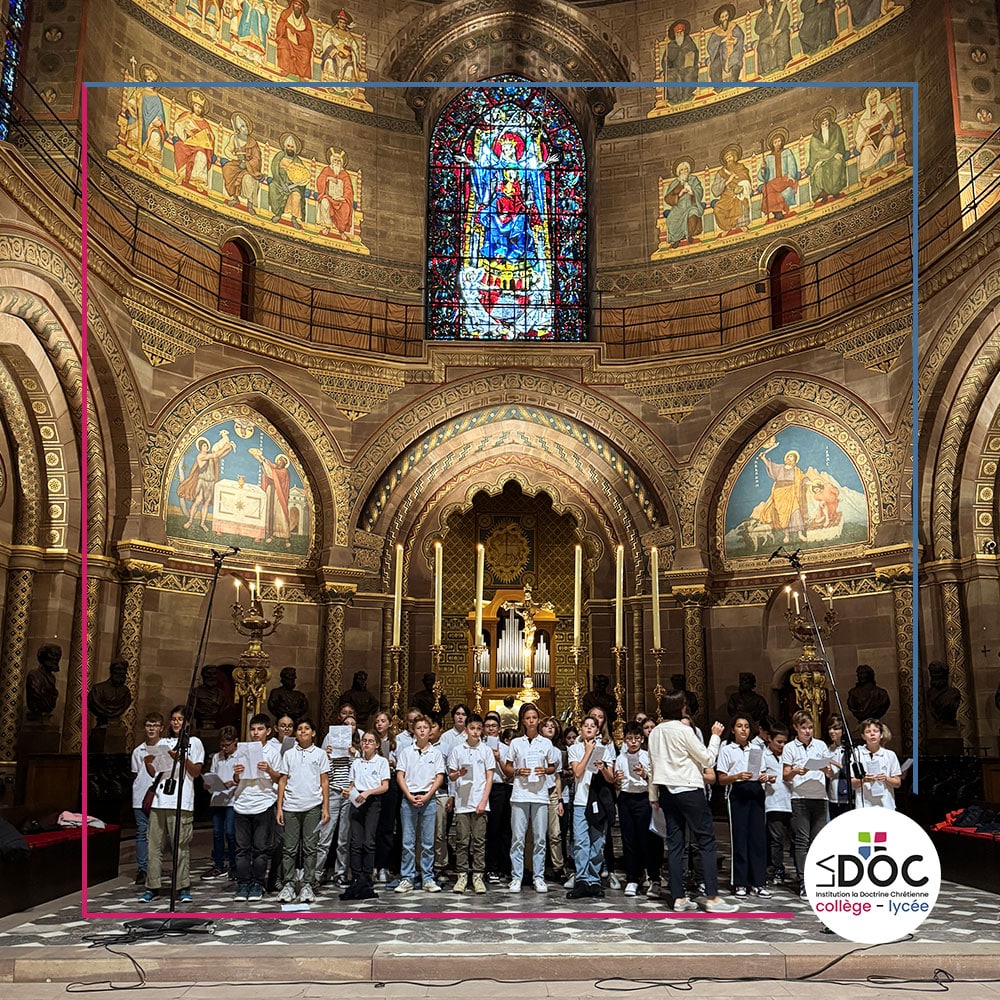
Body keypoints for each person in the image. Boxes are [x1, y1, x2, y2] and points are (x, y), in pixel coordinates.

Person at [647, 691, 737, 913]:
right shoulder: (683, 729)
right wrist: (715, 736)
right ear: (681, 707)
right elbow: (707, 758)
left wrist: (653, 795)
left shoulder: (656, 732)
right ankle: (712, 897)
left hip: (666, 790)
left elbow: (652, 765)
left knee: (675, 844)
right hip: (688, 788)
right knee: (706, 841)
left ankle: (678, 897)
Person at [141, 705, 205, 904]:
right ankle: (152, 885)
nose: (176, 722)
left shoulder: (194, 743)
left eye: (180, 719)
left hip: (181, 799)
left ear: (187, 723)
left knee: (180, 845)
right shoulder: (164, 742)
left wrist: (180, 758)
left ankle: (182, 886)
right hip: (160, 799)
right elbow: (155, 772)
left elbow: (195, 772)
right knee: (154, 846)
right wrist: (148, 762)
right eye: (173, 719)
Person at [503, 703, 559, 893]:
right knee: (518, 838)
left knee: (540, 838)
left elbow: (553, 766)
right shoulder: (516, 743)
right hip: (520, 794)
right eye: (528, 718)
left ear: (538, 720)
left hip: (540, 795)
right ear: (523, 721)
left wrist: (545, 770)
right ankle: (516, 876)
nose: (531, 721)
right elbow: (508, 767)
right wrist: (518, 771)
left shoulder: (546, 743)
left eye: (534, 717)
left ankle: (538, 877)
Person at [716, 714, 771, 899]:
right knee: (739, 838)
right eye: (739, 726)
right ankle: (740, 882)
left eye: (746, 726)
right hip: (738, 791)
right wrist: (737, 776)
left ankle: (758, 882)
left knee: (757, 838)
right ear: (733, 730)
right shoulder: (727, 749)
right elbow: (721, 779)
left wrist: (764, 777)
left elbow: (762, 771)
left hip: (756, 791)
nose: (743, 730)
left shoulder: (757, 749)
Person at [782, 709, 834, 898]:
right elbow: (785, 775)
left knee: (817, 841)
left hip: (820, 797)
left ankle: (817, 878)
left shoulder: (820, 745)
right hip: (800, 797)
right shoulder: (790, 747)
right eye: (804, 728)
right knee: (802, 841)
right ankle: (804, 880)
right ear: (796, 727)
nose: (807, 731)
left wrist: (827, 770)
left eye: (810, 728)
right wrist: (796, 771)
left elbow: (830, 772)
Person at [277, 718, 329, 904]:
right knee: (289, 848)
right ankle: (289, 884)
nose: (303, 732)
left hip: (312, 805)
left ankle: (307, 883)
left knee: (310, 847)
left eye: (307, 729)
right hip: (291, 806)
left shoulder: (320, 754)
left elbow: (324, 781)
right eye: (299, 729)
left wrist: (325, 807)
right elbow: (282, 781)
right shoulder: (289, 754)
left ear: (313, 733)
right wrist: (279, 807)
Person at [232, 712, 283, 901]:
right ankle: (242, 883)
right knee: (241, 848)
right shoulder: (242, 750)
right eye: (253, 729)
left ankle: (257, 883)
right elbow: (236, 779)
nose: (255, 733)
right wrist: (237, 773)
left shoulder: (273, 752)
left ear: (268, 731)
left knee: (260, 847)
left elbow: (279, 778)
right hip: (242, 802)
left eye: (260, 729)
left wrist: (268, 769)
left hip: (263, 802)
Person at [394, 714, 445, 893]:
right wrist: (408, 795)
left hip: (428, 799)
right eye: (418, 728)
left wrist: (428, 795)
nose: (422, 731)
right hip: (409, 799)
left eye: (425, 727)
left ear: (430, 730)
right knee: (408, 842)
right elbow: (400, 775)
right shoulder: (407, 752)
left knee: (428, 842)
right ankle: (407, 877)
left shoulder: (436, 753)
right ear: (414, 731)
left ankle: (428, 877)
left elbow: (439, 777)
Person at [339, 731, 390, 900]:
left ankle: (367, 877)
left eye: (370, 741)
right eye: (364, 741)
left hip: (372, 801)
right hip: (357, 800)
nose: (366, 744)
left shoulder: (381, 762)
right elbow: (352, 784)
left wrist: (368, 792)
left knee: (369, 841)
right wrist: (348, 791)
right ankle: (356, 876)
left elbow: (384, 786)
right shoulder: (356, 763)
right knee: (356, 841)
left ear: (377, 745)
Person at [447, 712, 494, 894]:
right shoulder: (458, 750)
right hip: (462, 801)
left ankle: (478, 876)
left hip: (479, 801)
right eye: (472, 728)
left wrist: (483, 800)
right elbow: (451, 775)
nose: (475, 732)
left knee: (479, 841)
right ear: (466, 729)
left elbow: (489, 777)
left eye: (478, 729)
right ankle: (462, 875)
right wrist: (457, 774)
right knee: (462, 840)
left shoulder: (486, 750)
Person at [615, 721, 656, 897]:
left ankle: (649, 874)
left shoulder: (646, 756)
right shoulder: (620, 758)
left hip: (643, 798)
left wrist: (644, 774)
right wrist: (617, 779)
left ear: (641, 740)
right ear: (624, 740)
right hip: (626, 799)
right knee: (629, 839)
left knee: (645, 839)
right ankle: (632, 878)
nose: (633, 742)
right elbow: (617, 783)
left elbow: (654, 779)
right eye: (630, 738)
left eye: (636, 738)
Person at [129, 712, 164, 885]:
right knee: (142, 832)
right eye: (149, 726)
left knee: (157, 834)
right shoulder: (138, 751)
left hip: (160, 797)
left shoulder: (165, 749)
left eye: (155, 726)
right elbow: (136, 773)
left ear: (161, 728)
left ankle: (154, 866)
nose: (151, 729)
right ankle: (142, 868)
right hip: (141, 795)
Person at [177, 431, 236, 532]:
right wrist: (224, 448)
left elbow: (219, 455)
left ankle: (202, 523)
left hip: (211, 482)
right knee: (198, 500)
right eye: (204, 446)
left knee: (207, 503)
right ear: (200, 448)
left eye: (206, 445)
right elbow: (216, 454)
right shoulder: (200, 456)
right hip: (202, 481)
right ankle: (190, 521)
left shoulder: (211, 456)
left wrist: (228, 448)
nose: (206, 447)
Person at [203, 725, 239, 880]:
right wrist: (208, 784)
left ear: (235, 742)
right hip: (218, 798)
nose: (224, 748)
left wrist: (233, 782)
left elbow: (244, 777)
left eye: (227, 745)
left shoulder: (240, 756)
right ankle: (218, 865)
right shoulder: (217, 757)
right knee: (217, 833)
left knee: (230, 832)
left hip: (233, 799)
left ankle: (234, 865)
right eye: (222, 745)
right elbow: (213, 774)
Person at [755, 443, 809, 540]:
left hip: (791, 492)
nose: (790, 458)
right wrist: (763, 458)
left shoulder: (796, 470)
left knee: (796, 510)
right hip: (779, 493)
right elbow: (770, 465)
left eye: (792, 457)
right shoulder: (779, 468)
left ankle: (800, 534)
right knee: (783, 515)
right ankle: (786, 535)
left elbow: (803, 478)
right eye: (789, 456)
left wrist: (809, 482)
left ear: (795, 461)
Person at [762, 723, 794, 886]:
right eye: (779, 742)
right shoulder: (763, 755)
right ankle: (777, 869)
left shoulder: (790, 754)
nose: (782, 746)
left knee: (796, 839)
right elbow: (757, 775)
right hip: (773, 802)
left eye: (784, 742)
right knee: (777, 839)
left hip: (792, 800)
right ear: (770, 739)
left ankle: (799, 869)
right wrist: (766, 779)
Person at [483, 710, 513, 883]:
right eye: (487, 726)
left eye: (494, 726)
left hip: (500, 788)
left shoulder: (506, 748)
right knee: (487, 830)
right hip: (482, 789)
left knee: (501, 828)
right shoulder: (478, 746)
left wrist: (498, 757)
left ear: (499, 729)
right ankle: (489, 867)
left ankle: (503, 866)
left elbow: (509, 774)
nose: (490, 729)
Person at [370, 711, 399, 884]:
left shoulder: (396, 742)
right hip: (373, 783)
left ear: (389, 723)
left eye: (383, 721)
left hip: (390, 783)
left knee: (387, 827)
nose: (380, 724)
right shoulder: (370, 740)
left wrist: (393, 763)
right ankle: (372, 865)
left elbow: (403, 764)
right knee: (372, 827)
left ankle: (384, 866)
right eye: (377, 721)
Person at [850, 718, 902, 809]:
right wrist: (864, 779)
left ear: (881, 735)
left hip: (886, 805)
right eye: (868, 732)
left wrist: (886, 778)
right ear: (863, 736)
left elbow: (897, 782)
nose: (872, 734)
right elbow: (852, 783)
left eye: (876, 731)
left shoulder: (890, 755)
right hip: (864, 805)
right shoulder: (856, 754)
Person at [171, 90, 216, 194]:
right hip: (186, 142)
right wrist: (185, 135)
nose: (198, 109)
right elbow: (177, 125)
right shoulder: (186, 115)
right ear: (192, 105)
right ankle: (181, 176)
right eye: (196, 106)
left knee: (201, 155)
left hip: (199, 146)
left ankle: (197, 181)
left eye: (200, 107)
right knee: (180, 146)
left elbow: (211, 138)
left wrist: (209, 135)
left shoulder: (204, 123)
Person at [540, 715, 567, 880]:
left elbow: (557, 777)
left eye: (552, 726)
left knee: (555, 833)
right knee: (537, 834)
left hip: (551, 793)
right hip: (537, 792)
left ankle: (558, 867)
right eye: (546, 725)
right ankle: (537, 867)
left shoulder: (557, 752)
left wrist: (560, 799)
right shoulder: (536, 746)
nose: (550, 728)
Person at [221, 114, 262, 215]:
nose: (246, 128)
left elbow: (257, 159)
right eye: (243, 126)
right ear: (238, 129)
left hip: (250, 169)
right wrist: (235, 158)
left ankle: (250, 205)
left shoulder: (252, 143)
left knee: (248, 179)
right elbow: (227, 150)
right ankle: (235, 198)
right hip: (237, 164)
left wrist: (247, 164)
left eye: (246, 126)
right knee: (227, 169)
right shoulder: (234, 138)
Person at [806, 108, 847, 206]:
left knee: (837, 164)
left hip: (834, 156)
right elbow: (816, 151)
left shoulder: (835, 129)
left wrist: (835, 153)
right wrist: (818, 162)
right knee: (819, 171)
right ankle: (823, 194)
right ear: (819, 124)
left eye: (827, 121)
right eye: (823, 122)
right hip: (820, 161)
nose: (825, 123)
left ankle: (835, 191)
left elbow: (837, 143)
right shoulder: (815, 137)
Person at [855, 87, 897, 185]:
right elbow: (859, 136)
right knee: (866, 152)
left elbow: (890, 121)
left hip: (882, 136)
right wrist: (865, 143)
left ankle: (881, 170)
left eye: (874, 97)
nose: (873, 100)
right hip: (871, 142)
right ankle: (869, 177)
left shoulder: (883, 108)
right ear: (867, 101)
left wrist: (888, 130)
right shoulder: (864, 118)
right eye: (870, 99)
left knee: (888, 141)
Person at [268, 134, 310, 229]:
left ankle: (294, 218)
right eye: (288, 146)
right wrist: (282, 183)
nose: (290, 148)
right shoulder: (279, 156)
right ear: (285, 146)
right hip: (279, 181)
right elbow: (274, 169)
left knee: (296, 195)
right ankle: (277, 214)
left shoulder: (297, 161)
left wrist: (294, 184)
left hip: (293, 185)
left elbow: (302, 176)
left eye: (292, 147)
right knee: (272, 187)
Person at [757, 130, 800, 223]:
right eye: (775, 142)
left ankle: (778, 210)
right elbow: (764, 177)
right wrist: (763, 169)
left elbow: (792, 165)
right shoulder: (768, 158)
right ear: (772, 144)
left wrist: (791, 176)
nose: (777, 144)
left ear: (782, 142)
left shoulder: (787, 152)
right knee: (767, 188)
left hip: (785, 179)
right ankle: (777, 211)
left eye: (779, 141)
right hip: (773, 182)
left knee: (771, 188)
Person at [710, 144, 753, 236]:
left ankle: (742, 225)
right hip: (726, 196)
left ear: (734, 157)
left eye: (730, 157)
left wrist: (742, 186)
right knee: (717, 208)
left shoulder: (741, 167)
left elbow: (746, 179)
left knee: (740, 202)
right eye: (726, 159)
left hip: (739, 193)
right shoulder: (721, 172)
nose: (728, 160)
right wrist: (727, 181)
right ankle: (726, 227)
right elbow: (714, 190)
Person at [662, 159, 705, 249]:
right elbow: (667, 198)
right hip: (679, 207)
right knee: (671, 219)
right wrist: (680, 193)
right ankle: (676, 239)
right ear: (678, 172)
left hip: (691, 204)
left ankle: (689, 235)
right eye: (682, 170)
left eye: (686, 169)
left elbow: (699, 191)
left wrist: (692, 192)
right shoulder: (674, 183)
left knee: (693, 213)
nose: (684, 171)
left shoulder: (693, 179)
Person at [660, 20, 699, 105]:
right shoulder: (670, 46)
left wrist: (691, 59)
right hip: (675, 70)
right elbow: (665, 63)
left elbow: (695, 54)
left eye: (681, 32)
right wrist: (666, 61)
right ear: (674, 34)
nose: (679, 34)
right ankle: (674, 98)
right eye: (677, 32)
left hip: (688, 68)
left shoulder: (689, 42)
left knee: (690, 73)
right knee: (669, 76)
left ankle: (686, 95)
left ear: (684, 32)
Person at [320, 9, 361, 87]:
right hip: (333, 55)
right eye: (340, 22)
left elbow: (355, 49)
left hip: (346, 58)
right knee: (329, 62)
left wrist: (350, 53)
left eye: (344, 23)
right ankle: (330, 85)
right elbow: (326, 43)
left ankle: (345, 88)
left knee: (350, 68)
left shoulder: (349, 37)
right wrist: (335, 50)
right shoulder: (331, 32)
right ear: (337, 22)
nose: (342, 24)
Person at [274, 0, 315, 80]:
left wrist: (298, 33)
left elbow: (309, 36)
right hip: (286, 39)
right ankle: (286, 69)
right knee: (284, 46)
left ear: (302, 7)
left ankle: (301, 75)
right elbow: (280, 25)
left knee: (306, 53)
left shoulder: (306, 21)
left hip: (299, 43)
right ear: (292, 5)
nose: (297, 6)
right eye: (296, 4)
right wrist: (286, 26)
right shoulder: (286, 14)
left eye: (299, 5)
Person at [707, 4, 745, 84]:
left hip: (734, 49)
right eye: (723, 17)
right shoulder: (716, 33)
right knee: (715, 66)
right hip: (720, 54)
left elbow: (740, 36)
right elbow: (710, 47)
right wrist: (721, 41)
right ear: (719, 19)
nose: (725, 19)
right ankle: (718, 86)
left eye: (726, 16)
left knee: (735, 58)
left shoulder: (733, 26)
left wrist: (736, 40)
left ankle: (734, 80)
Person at [88, 659, 132, 725]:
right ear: (112, 671)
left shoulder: (126, 692)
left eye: (123, 670)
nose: (121, 672)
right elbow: (94, 704)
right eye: (118, 669)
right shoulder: (98, 689)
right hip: (102, 724)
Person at [755, 0, 792, 77]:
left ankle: (781, 64)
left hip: (780, 33)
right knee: (762, 47)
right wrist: (768, 16)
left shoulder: (781, 7)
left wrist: (779, 30)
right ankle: (767, 71)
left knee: (782, 39)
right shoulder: (761, 16)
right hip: (766, 38)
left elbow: (786, 19)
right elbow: (758, 30)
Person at [825, 715, 851, 818]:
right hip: (832, 796)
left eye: (835, 729)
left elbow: (850, 772)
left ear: (843, 730)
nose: (832, 732)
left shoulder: (850, 749)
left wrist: (835, 763)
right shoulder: (828, 749)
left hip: (847, 797)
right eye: (830, 729)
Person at [26, 643, 61, 719]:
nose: (56, 659)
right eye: (53, 655)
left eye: (58, 656)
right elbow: (36, 694)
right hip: (37, 712)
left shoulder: (52, 678)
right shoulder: (34, 675)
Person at [192, 663, 230, 727]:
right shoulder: (196, 692)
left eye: (214, 674)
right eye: (208, 673)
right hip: (200, 724)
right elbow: (191, 709)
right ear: (203, 675)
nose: (211, 676)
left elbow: (223, 708)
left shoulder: (222, 694)